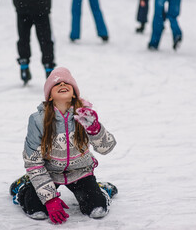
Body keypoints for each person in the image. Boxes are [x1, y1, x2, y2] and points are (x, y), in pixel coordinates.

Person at [9, 67, 118, 224]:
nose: (62, 84)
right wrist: (50, 199)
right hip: (49, 172)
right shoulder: (38, 121)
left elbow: (107, 148)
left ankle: (101, 190)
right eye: (56, 83)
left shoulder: (84, 116)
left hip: (80, 172)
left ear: (74, 93)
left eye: (66, 82)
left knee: (97, 209)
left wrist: (95, 129)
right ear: (50, 96)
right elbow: (33, 162)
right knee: (36, 209)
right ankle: (23, 188)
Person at [0, 0, 57, 85]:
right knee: (45, 39)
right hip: (40, 4)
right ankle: (48, 68)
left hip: (22, 3)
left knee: (23, 38)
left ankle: (24, 65)